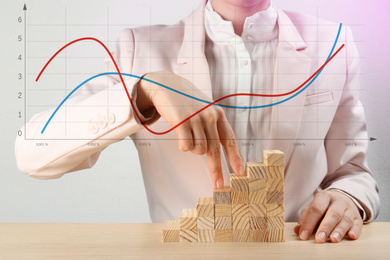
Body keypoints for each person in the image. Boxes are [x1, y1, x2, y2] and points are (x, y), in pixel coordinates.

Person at [15, 0, 380, 243]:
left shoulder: (334, 43)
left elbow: (354, 175)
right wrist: (142, 92)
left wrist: (348, 198)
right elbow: (32, 152)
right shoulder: (137, 49)